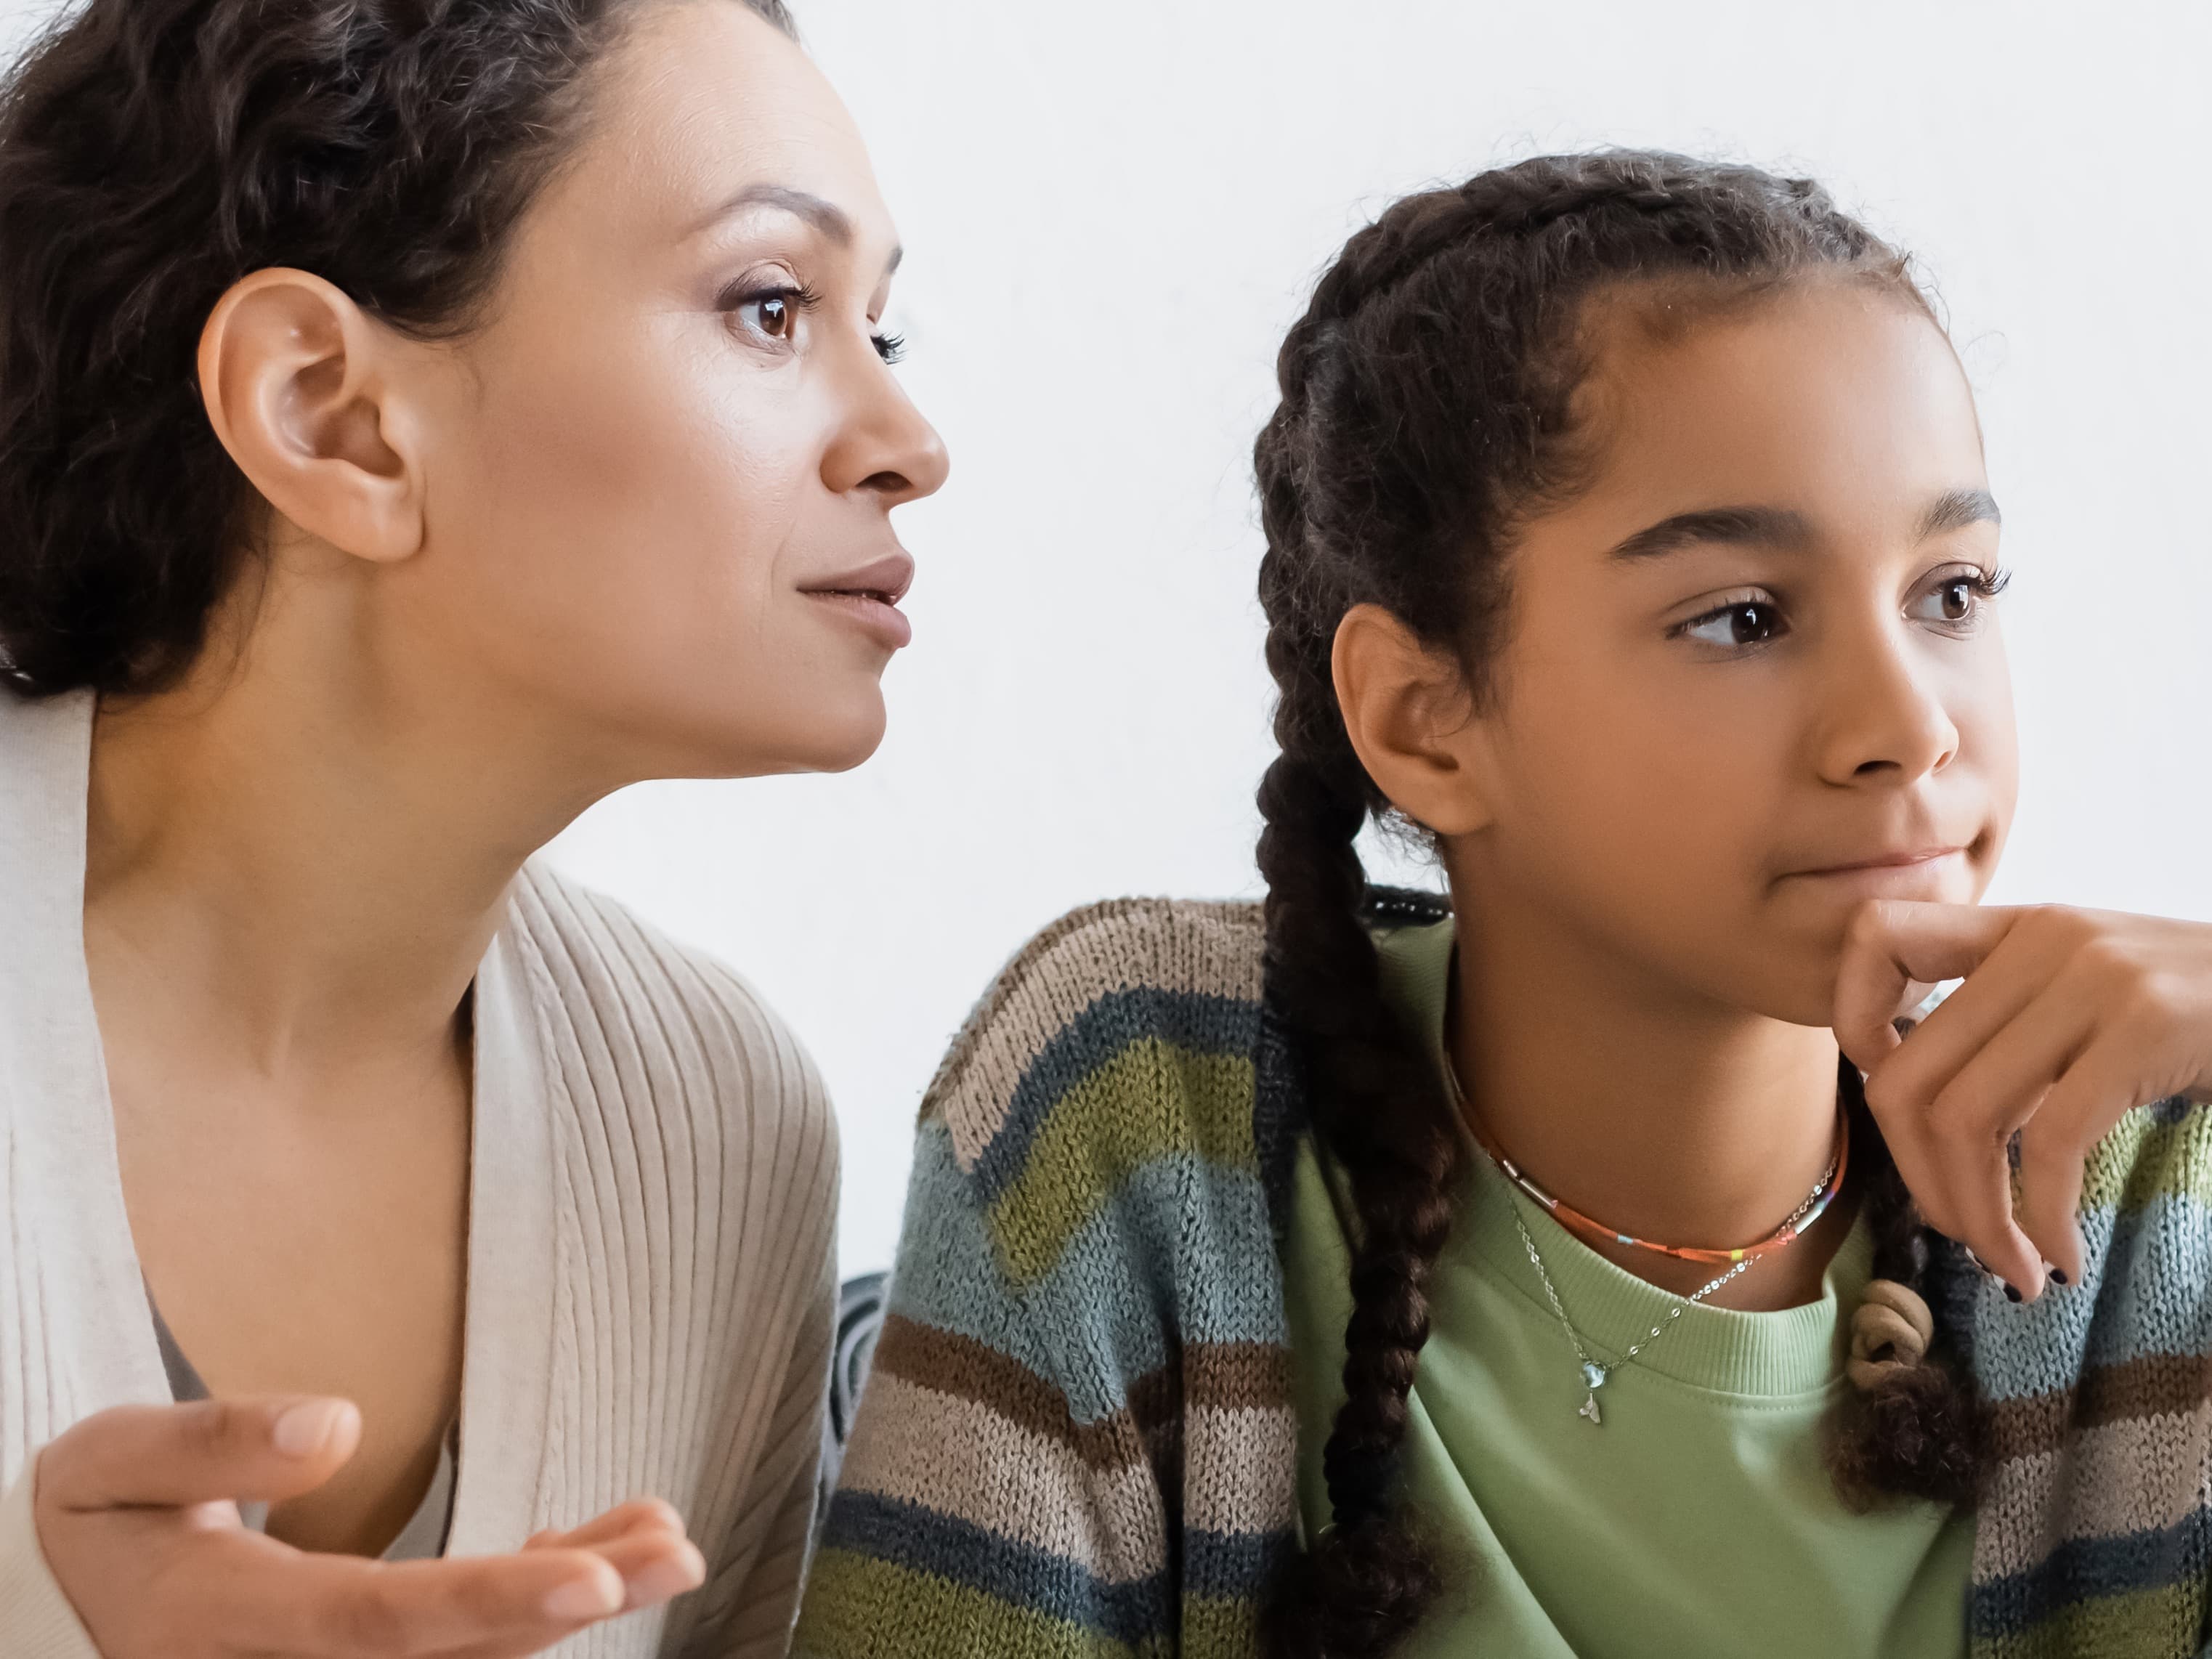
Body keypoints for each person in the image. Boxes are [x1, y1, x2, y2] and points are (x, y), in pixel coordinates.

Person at [795, 150, 2212, 1659]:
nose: (1909, 723)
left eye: (1950, 593)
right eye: (1740, 616)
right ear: (1419, 716)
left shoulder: (2143, 1174)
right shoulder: (1141, 1114)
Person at [0, 0, 946, 1651]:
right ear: (330, 414)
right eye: (771, 306)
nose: (906, 444)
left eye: (885, 330)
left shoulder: (718, 1125)